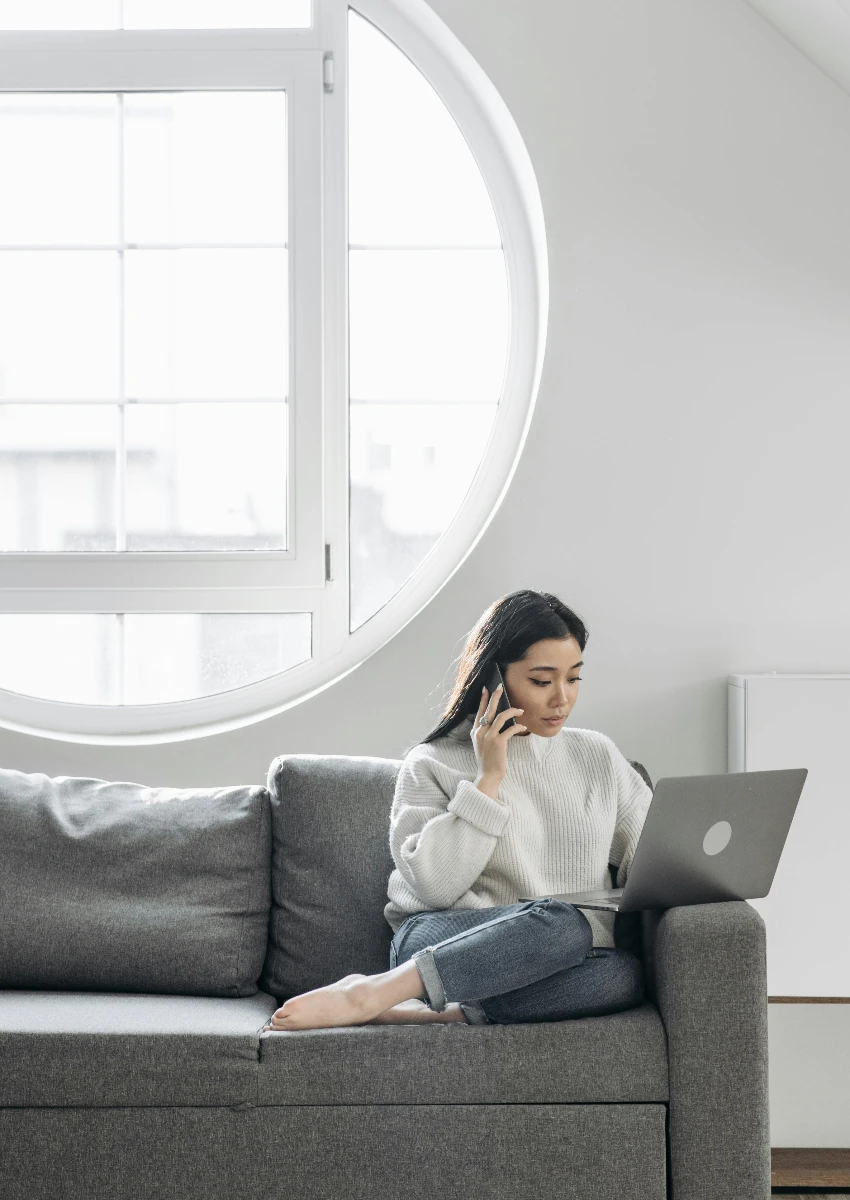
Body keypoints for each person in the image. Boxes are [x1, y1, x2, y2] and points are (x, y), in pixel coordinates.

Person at [264, 589, 652, 1031]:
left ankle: (437, 1009)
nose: (562, 699)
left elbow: (653, 856)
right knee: (565, 923)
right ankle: (374, 991)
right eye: (542, 682)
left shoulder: (597, 756)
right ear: (493, 679)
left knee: (622, 975)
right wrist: (488, 779)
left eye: (574, 678)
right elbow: (434, 887)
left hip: (547, 959)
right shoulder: (431, 762)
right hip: (441, 938)